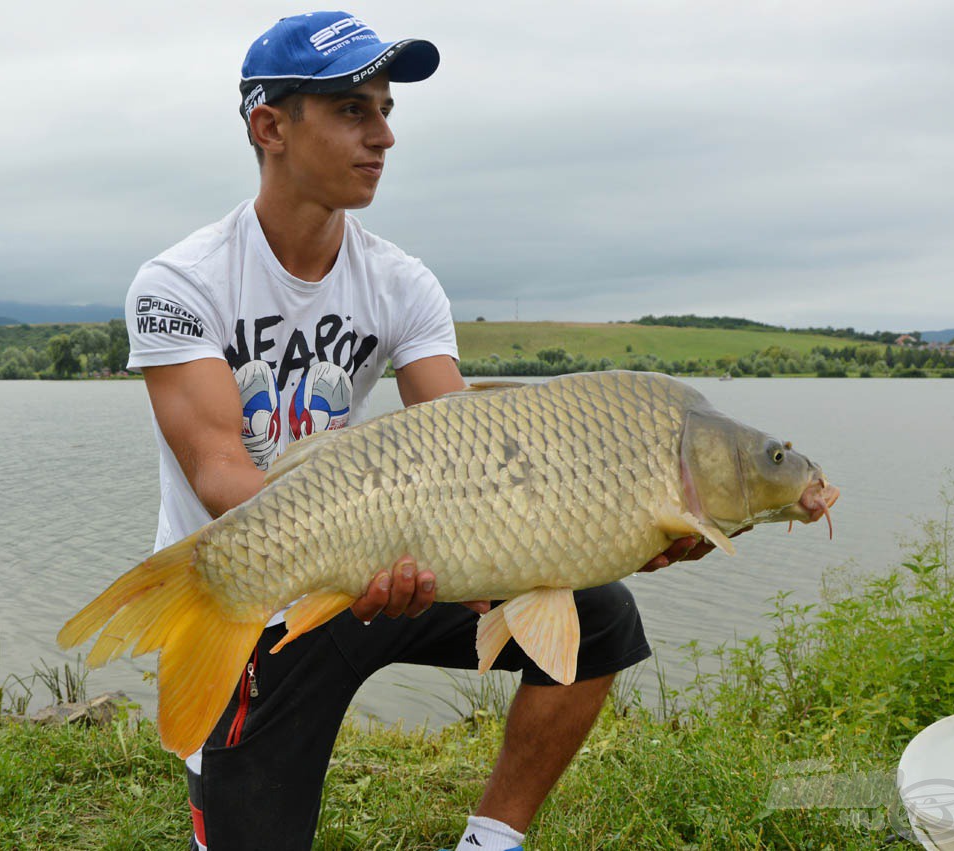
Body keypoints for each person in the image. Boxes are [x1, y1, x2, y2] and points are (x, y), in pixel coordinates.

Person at [124, 12, 715, 851]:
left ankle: (491, 838)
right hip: (255, 589)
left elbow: (473, 446)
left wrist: (610, 529)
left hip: (383, 574)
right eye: (352, 111)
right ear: (271, 127)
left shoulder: (401, 281)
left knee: (604, 617)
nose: (384, 136)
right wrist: (346, 554)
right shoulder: (179, 281)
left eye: (386, 109)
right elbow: (219, 468)